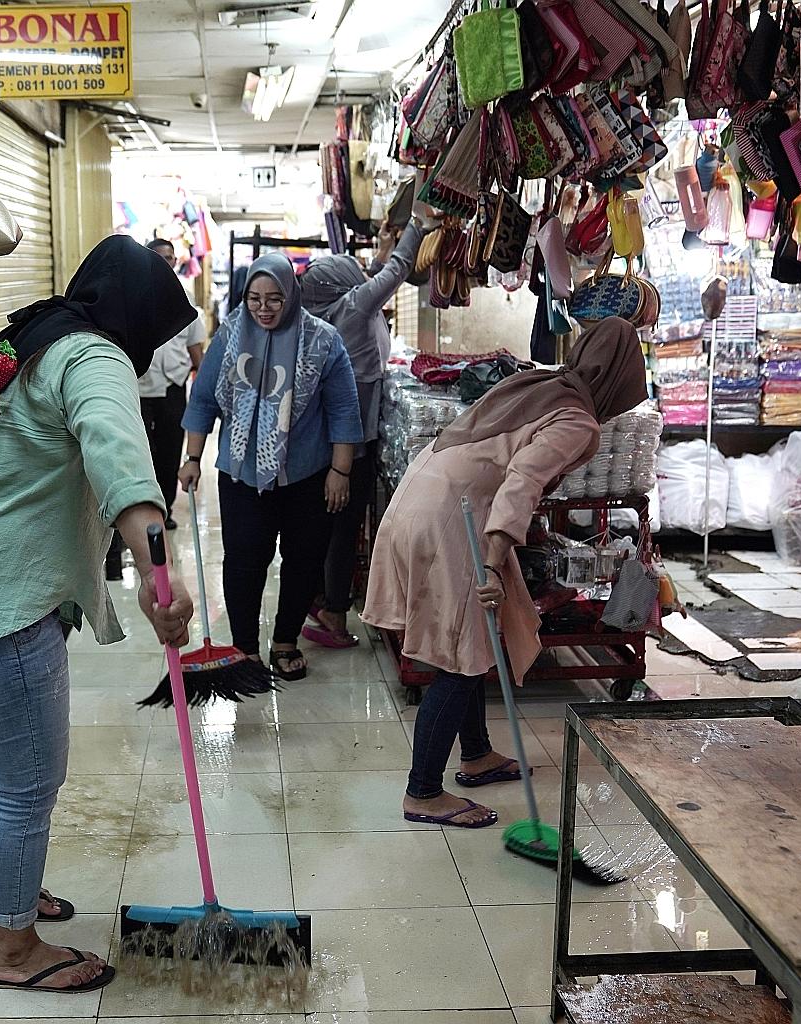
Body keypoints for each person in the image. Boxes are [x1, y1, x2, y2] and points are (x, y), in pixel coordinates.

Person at [0, 237, 195, 995]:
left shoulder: (36, 337)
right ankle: (14, 948)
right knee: (28, 782)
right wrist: (161, 575)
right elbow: (122, 461)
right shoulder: (93, 356)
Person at [363, 319, 648, 828]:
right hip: (453, 517)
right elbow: (522, 481)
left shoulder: (542, 383)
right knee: (458, 658)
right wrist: (493, 564)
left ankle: (475, 756)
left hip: (420, 499)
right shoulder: (577, 419)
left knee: (471, 642)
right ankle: (423, 792)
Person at [180, 253, 363, 681]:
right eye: (255, 298)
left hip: (307, 472)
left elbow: (343, 409)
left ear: (292, 295)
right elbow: (203, 399)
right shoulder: (229, 337)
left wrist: (340, 471)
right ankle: (244, 649)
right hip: (242, 473)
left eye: (275, 298)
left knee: (303, 558)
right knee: (244, 559)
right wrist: (192, 459)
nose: (263, 307)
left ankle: (285, 640)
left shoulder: (322, 340)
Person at [299, 215, 427, 648]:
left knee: (323, 523)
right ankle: (334, 611)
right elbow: (395, 270)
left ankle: (319, 598)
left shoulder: (317, 313)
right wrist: (418, 226)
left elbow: (377, 270)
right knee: (343, 527)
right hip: (351, 443)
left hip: (326, 437)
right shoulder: (353, 307)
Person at [103, 237, 204, 580]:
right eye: (159, 258)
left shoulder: (186, 301)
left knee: (170, 450)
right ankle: (135, 520)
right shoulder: (128, 296)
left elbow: (196, 350)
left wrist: (202, 386)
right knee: (137, 452)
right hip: (137, 388)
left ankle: (164, 508)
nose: (167, 263)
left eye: (171, 258)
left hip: (173, 386)